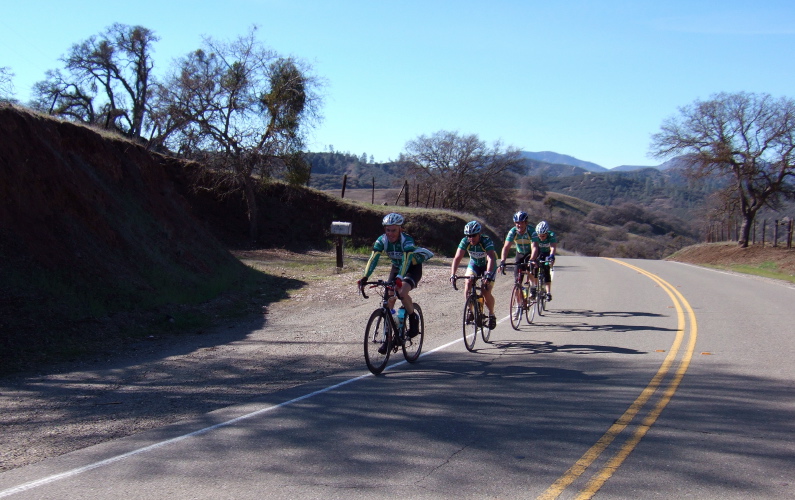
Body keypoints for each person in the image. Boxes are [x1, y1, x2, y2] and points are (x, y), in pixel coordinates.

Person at [358, 213, 433, 351]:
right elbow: (373, 259)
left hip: (412, 267)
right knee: (388, 299)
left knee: (402, 292)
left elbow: (406, 261)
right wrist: (365, 277)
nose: (391, 233)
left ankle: (413, 317)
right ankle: (388, 338)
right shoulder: (382, 240)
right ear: (384, 230)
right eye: (388, 230)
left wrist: (399, 278)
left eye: (394, 230)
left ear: (400, 229)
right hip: (397, 267)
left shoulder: (407, 240)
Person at [449, 220, 498, 329]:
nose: (471, 238)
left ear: (479, 234)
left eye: (473, 235)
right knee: (468, 282)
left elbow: (490, 257)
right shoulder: (465, 241)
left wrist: (488, 274)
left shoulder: (486, 241)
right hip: (475, 264)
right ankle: (470, 311)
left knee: (485, 291)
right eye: (468, 236)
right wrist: (453, 274)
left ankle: (491, 314)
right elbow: (457, 258)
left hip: (488, 265)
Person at [498, 211, 534, 320]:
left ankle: (533, 287)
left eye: (521, 223)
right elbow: (506, 247)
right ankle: (518, 306)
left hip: (530, 253)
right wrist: (503, 261)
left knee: (530, 268)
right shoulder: (513, 232)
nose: (519, 225)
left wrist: (532, 259)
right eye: (517, 223)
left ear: (526, 223)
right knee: (517, 281)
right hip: (520, 254)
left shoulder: (531, 231)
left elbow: (535, 247)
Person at [529, 220, 558, 301]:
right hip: (538, 252)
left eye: (543, 236)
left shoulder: (551, 235)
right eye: (540, 236)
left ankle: (548, 292)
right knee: (535, 268)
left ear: (547, 233)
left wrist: (552, 256)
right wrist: (532, 259)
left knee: (546, 271)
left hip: (547, 253)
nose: (541, 238)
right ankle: (534, 287)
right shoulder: (534, 235)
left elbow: (553, 247)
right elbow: (533, 247)